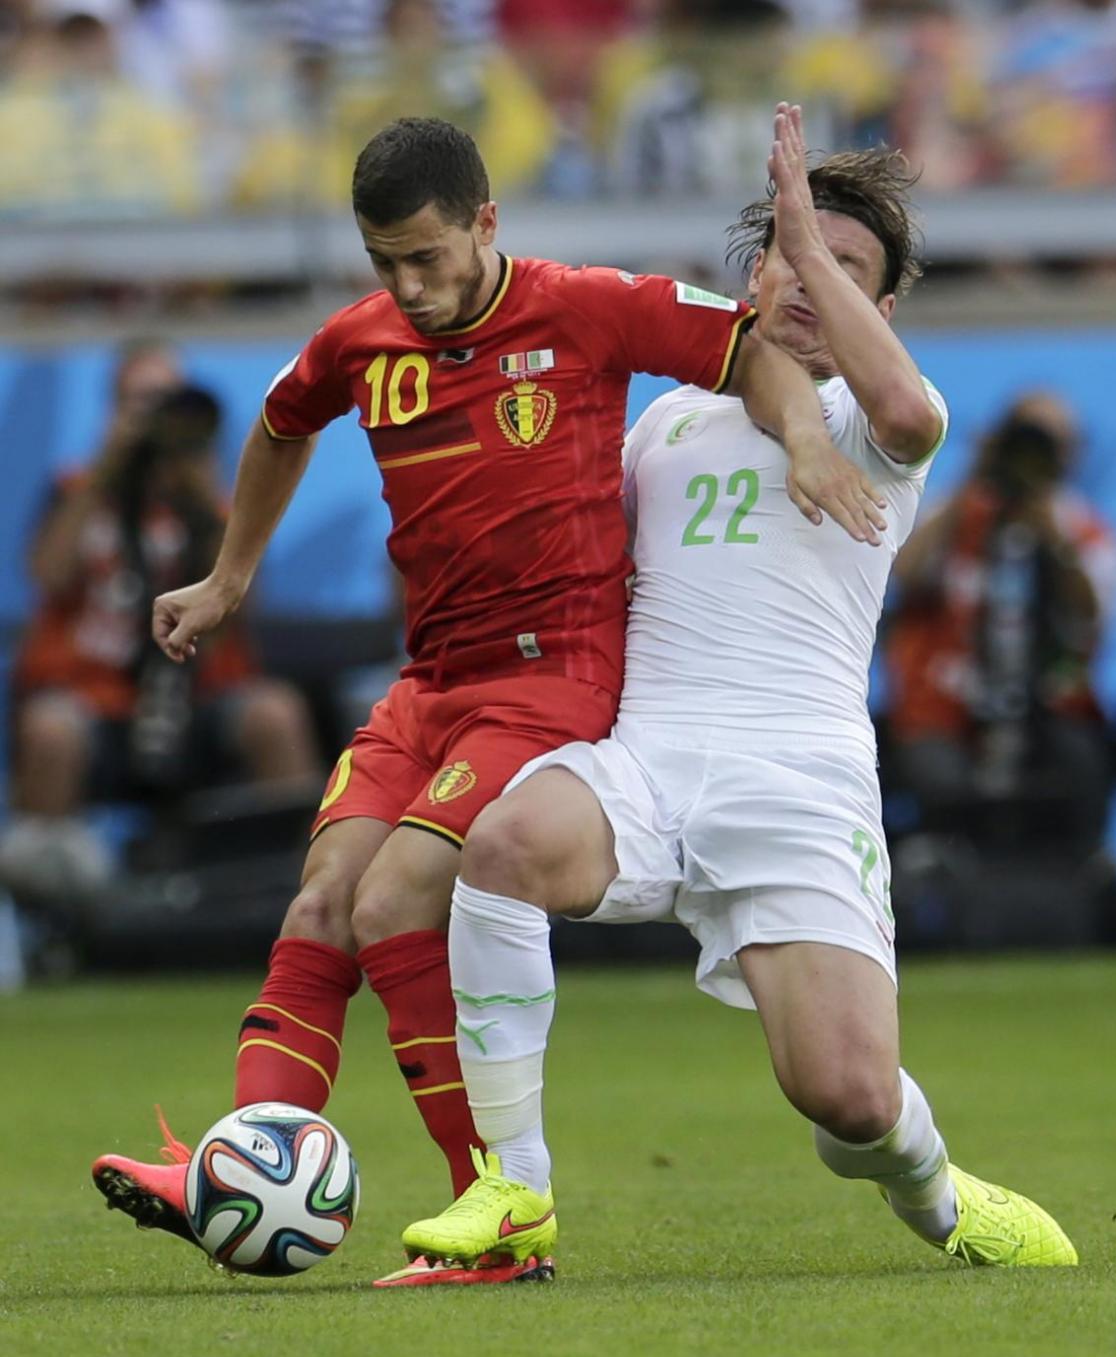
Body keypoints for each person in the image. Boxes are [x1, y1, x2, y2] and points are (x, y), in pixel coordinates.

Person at [90, 114, 886, 1285]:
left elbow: (750, 350)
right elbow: (280, 423)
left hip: (550, 676)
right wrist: (229, 575)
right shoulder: (361, 339)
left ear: (486, 224)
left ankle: (500, 1209)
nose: (408, 287)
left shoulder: (585, 306)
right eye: (384, 263)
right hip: (430, 683)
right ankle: (238, 1165)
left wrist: (809, 439)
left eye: (427, 256)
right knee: (321, 903)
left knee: (395, 896)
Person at [398, 105, 1078, 1283]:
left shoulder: (880, 425)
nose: (813, 282)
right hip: (649, 760)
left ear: (883, 309)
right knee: (501, 847)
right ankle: (515, 1188)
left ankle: (936, 1189)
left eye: (848, 269)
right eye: (794, 256)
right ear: (751, 273)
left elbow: (909, 412)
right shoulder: (668, 419)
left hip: (798, 784)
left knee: (848, 1100)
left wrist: (811, 236)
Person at [1, 361, 320, 901]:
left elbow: (245, 602)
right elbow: (47, 575)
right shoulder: (76, 489)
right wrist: (107, 468)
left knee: (275, 714)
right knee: (50, 730)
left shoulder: (212, 499)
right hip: (93, 699)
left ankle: (299, 897)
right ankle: (46, 916)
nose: (157, 419)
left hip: (198, 696)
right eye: (142, 403)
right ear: (114, 410)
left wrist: (202, 487)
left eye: (170, 403)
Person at [886, 390, 1116, 857]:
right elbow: (902, 574)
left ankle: (1082, 879)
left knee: (1083, 762)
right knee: (935, 775)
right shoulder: (953, 514)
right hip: (943, 710)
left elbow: (1092, 618)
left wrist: (1051, 532)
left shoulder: (1088, 533)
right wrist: (974, 480)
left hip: (1046, 710)